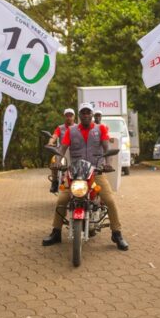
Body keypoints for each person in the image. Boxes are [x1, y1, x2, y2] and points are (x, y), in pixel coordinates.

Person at [42, 102, 129, 250]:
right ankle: (56, 232)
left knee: (109, 200)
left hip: (96, 172)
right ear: (80, 115)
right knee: (62, 200)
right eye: (83, 112)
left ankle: (117, 233)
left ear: (92, 114)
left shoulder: (100, 128)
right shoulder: (71, 130)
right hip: (75, 171)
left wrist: (107, 163)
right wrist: (57, 162)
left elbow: (107, 148)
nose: (86, 115)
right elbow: (62, 149)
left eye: (89, 112)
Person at [47, 108, 76, 193]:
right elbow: (54, 136)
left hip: (74, 151)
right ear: (64, 117)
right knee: (54, 161)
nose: (69, 117)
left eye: (71, 115)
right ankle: (55, 182)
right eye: (67, 115)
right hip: (62, 151)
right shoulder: (60, 128)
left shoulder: (78, 127)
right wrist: (50, 142)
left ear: (74, 117)